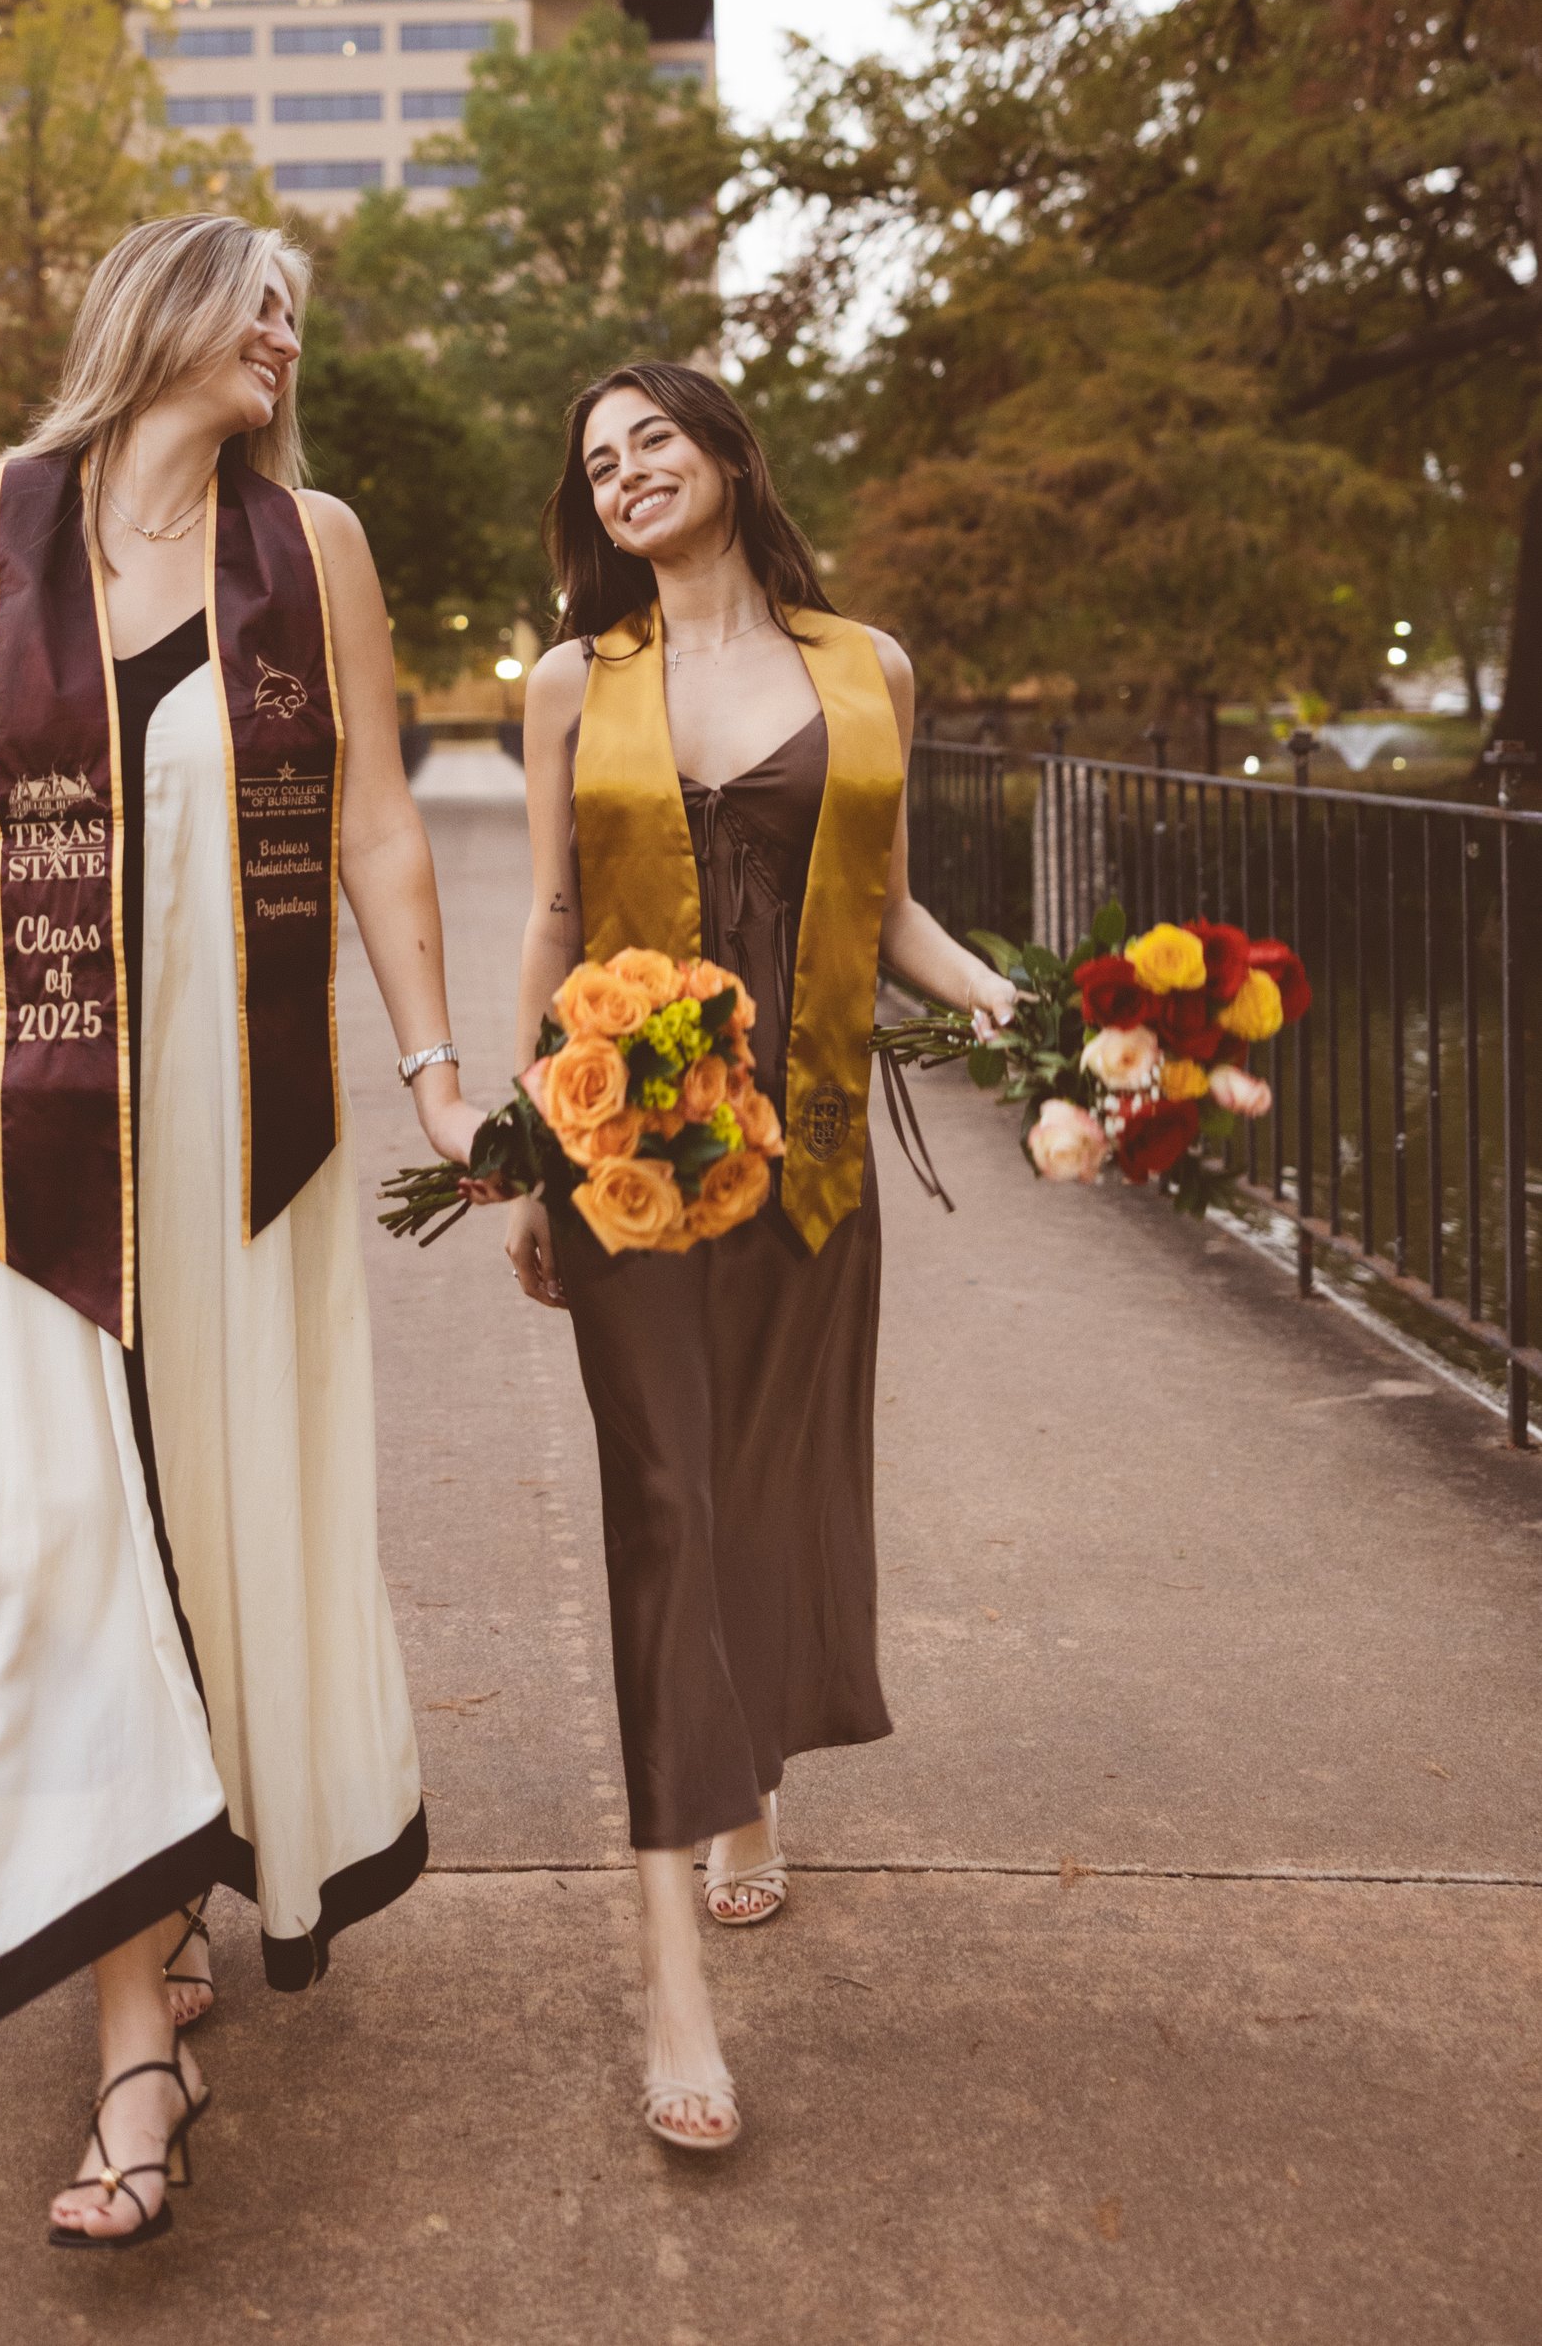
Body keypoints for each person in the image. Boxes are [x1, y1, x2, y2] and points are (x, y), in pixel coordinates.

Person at [0, 213, 487, 2248]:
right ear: (158, 314)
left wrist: (438, 1064)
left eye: (297, 312)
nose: (283, 332)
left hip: (237, 1115)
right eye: (254, 299)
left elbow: (368, 820)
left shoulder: (315, 545)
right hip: (33, 1112)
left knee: (199, 1505)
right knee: (37, 1525)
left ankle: (150, 1910)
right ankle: (130, 2041)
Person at [503, 362, 1015, 2154]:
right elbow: (558, 913)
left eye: (654, 439)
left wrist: (997, 998)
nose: (627, 471)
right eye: (598, 461)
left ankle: (754, 1791)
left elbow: (885, 904)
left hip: (807, 1163)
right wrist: (517, 1159)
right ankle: (670, 1982)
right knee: (665, 1514)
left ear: (727, 452)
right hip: (628, 1164)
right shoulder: (577, 681)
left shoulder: (861, 664)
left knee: (776, 1484)